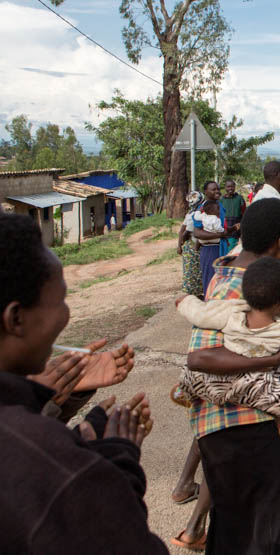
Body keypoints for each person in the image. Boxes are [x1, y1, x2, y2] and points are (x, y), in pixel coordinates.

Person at [0, 213, 167, 554]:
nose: (66, 315)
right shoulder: (48, 459)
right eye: (60, 299)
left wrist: (53, 402)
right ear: (16, 318)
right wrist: (119, 455)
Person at [182, 197, 280, 554]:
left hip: (234, 427)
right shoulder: (234, 283)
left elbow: (248, 321)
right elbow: (199, 356)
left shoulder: (241, 276)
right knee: (271, 529)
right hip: (235, 429)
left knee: (242, 527)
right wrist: (275, 357)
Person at [175, 257, 280, 417]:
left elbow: (201, 314)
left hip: (215, 381)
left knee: (188, 373)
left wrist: (185, 302)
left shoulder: (232, 312)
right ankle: (277, 424)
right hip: (251, 389)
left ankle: (184, 391)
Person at [190, 181, 233, 297]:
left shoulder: (219, 206)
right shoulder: (202, 209)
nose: (217, 191)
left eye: (218, 189)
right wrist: (220, 235)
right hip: (210, 250)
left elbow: (220, 227)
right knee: (210, 282)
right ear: (206, 192)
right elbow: (197, 233)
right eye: (213, 189)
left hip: (222, 248)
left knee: (221, 283)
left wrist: (232, 229)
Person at [178, 191, 205, 297]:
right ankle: (194, 293)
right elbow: (183, 229)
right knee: (191, 271)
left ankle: (196, 293)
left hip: (194, 246)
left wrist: (181, 242)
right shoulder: (191, 213)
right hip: (190, 246)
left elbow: (187, 232)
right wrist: (179, 244)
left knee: (194, 271)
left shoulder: (197, 213)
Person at [219, 179, 246, 255]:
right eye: (228, 187)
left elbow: (243, 213)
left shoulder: (239, 199)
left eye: (232, 186)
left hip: (236, 226)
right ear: (225, 188)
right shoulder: (221, 200)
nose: (230, 188)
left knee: (233, 248)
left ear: (234, 187)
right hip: (225, 226)